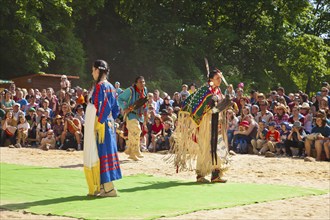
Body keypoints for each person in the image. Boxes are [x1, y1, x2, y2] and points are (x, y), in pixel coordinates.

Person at [171, 68, 232, 183]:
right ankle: (200, 175)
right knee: (205, 148)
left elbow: (219, 106)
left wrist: (225, 103)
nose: (220, 80)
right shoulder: (205, 90)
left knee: (219, 146)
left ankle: (216, 174)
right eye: (217, 78)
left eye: (220, 78)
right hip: (205, 124)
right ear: (211, 79)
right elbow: (195, 106)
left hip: (216, 122)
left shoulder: (218, 91)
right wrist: (211, 105)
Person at [84, 59, 122, 197]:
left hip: (101, 126)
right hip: (107, 124)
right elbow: (116, 108)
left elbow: (105, 106)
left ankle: (109, 188)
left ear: (98, 71)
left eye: (93, 70)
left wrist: (99, 121)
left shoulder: (101, 86)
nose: (92, 73)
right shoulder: (111, 87)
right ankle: (102, 187)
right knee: (101, 153)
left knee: (102, 153)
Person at [118, 76, 148, 161]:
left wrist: (146, 114)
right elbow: (119, 98)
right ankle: (134, 151)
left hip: (140, 115)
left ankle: (132, 152)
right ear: (136, 83)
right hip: (131, 114)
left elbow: (144, 102)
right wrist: (124, 108)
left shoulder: (145, 90)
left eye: (143, 82)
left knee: (135, 133)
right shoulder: (130, 90)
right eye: (140, 82)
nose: (142, 84)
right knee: (136, 130)